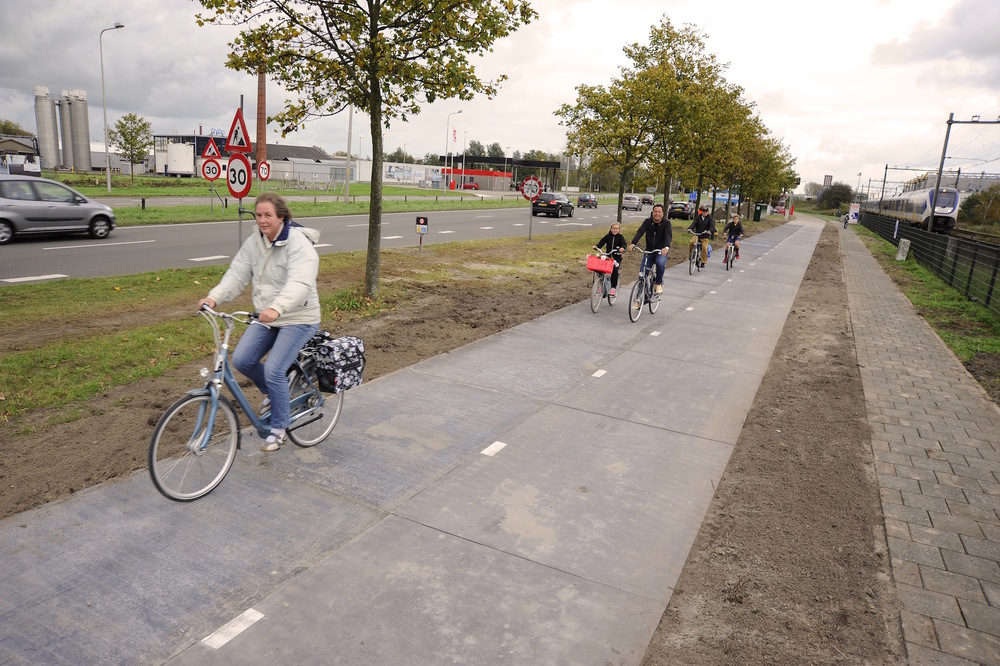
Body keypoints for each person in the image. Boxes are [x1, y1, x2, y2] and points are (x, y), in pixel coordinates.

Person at [197, 192, 321, 453]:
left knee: (275, 369)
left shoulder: (299, 245)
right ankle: (274, 394)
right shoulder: (255, 242)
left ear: (282, 217)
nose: (262, 220)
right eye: (259, 215)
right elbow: (237, 274)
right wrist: (214, 297)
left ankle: (278, 429)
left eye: (268, 215)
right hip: (267, 316)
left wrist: (277, 308)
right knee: (242, 359)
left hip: (298, 317)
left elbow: (300, 283)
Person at [629, 203, 672, 293]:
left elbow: (668, 236)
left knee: (660, 263)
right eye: (655, 211)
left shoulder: (666, 223)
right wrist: (633, 243)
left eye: (659, 212)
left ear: (662, 213)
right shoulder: (647, 222)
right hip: (649, 251)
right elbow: (640, 232)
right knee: (642, 275)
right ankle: (638, 299)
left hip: (661, 251)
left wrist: (666, 247)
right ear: (652, 212)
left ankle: (658, 282)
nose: (657, 214)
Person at [593, 222, 628, 296]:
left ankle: (613, 287)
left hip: (616, 257)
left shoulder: (620, 237)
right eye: (613, 228)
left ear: (619, 230)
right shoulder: (607, 236)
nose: (615, 230)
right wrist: (596, 247)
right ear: (610, 229)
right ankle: (602, 284)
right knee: (600, 269)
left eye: (616, 229)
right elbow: (601, 243)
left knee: (614, 270)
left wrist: (622, 249)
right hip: (607, 256)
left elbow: (624, 245)